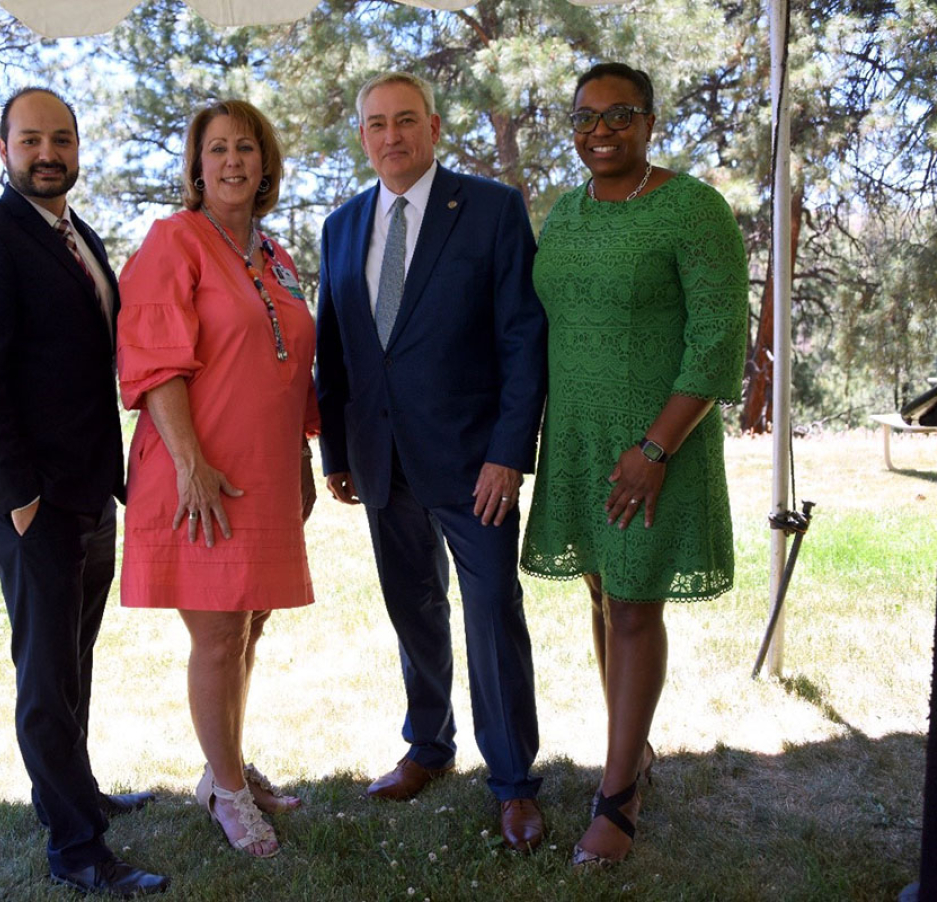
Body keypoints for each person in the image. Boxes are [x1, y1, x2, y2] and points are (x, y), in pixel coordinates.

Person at [0, 88, 169, 896]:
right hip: (29, 502)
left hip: (90, 490)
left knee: (73, 660)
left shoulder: (79, 237)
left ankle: (80, 790)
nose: (47, 153)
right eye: (30, 139)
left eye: (60, 138)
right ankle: (75, 847)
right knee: (44, 679)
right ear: (2, 149)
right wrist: (23, 492)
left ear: (76, 147)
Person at [520, 62, 749, 867]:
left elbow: (720, 341)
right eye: (585, 117)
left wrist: (655, 447)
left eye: (620, 115)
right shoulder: (566, 216)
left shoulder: (691, 209)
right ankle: (634, 748)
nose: (601, 132)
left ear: (650, 121)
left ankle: (616, 799)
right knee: (598, 587)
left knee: (632, 607)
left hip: (658, 443)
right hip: (578, 439)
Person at [315, 71, 549, 852]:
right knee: (412, 607)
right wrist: (339, 453)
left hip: (473, 464)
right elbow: (337, 348)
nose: (392, 136)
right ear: (362, 136)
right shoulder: (342, 226)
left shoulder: (489, 210)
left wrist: (508, 455)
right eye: (376, 124)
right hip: (383, 464)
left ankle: (514, 781)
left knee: (490, 614)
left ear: (436, 127)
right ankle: (428, 745)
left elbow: (523, 338)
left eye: (406, 121)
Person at [117, 99, 317, 860]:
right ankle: (230, 796)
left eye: (246, 148)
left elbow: (293, 366)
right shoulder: (175, 241)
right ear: (196, 167)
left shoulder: (275, 256)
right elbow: (154, 357)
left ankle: (222, 768)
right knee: (217, 631)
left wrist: (301, 458)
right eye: (218, 149)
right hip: (196, 471)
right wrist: (192, 462)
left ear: (265, 163)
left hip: (264, 472)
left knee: (251, 623)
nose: (233, 161)